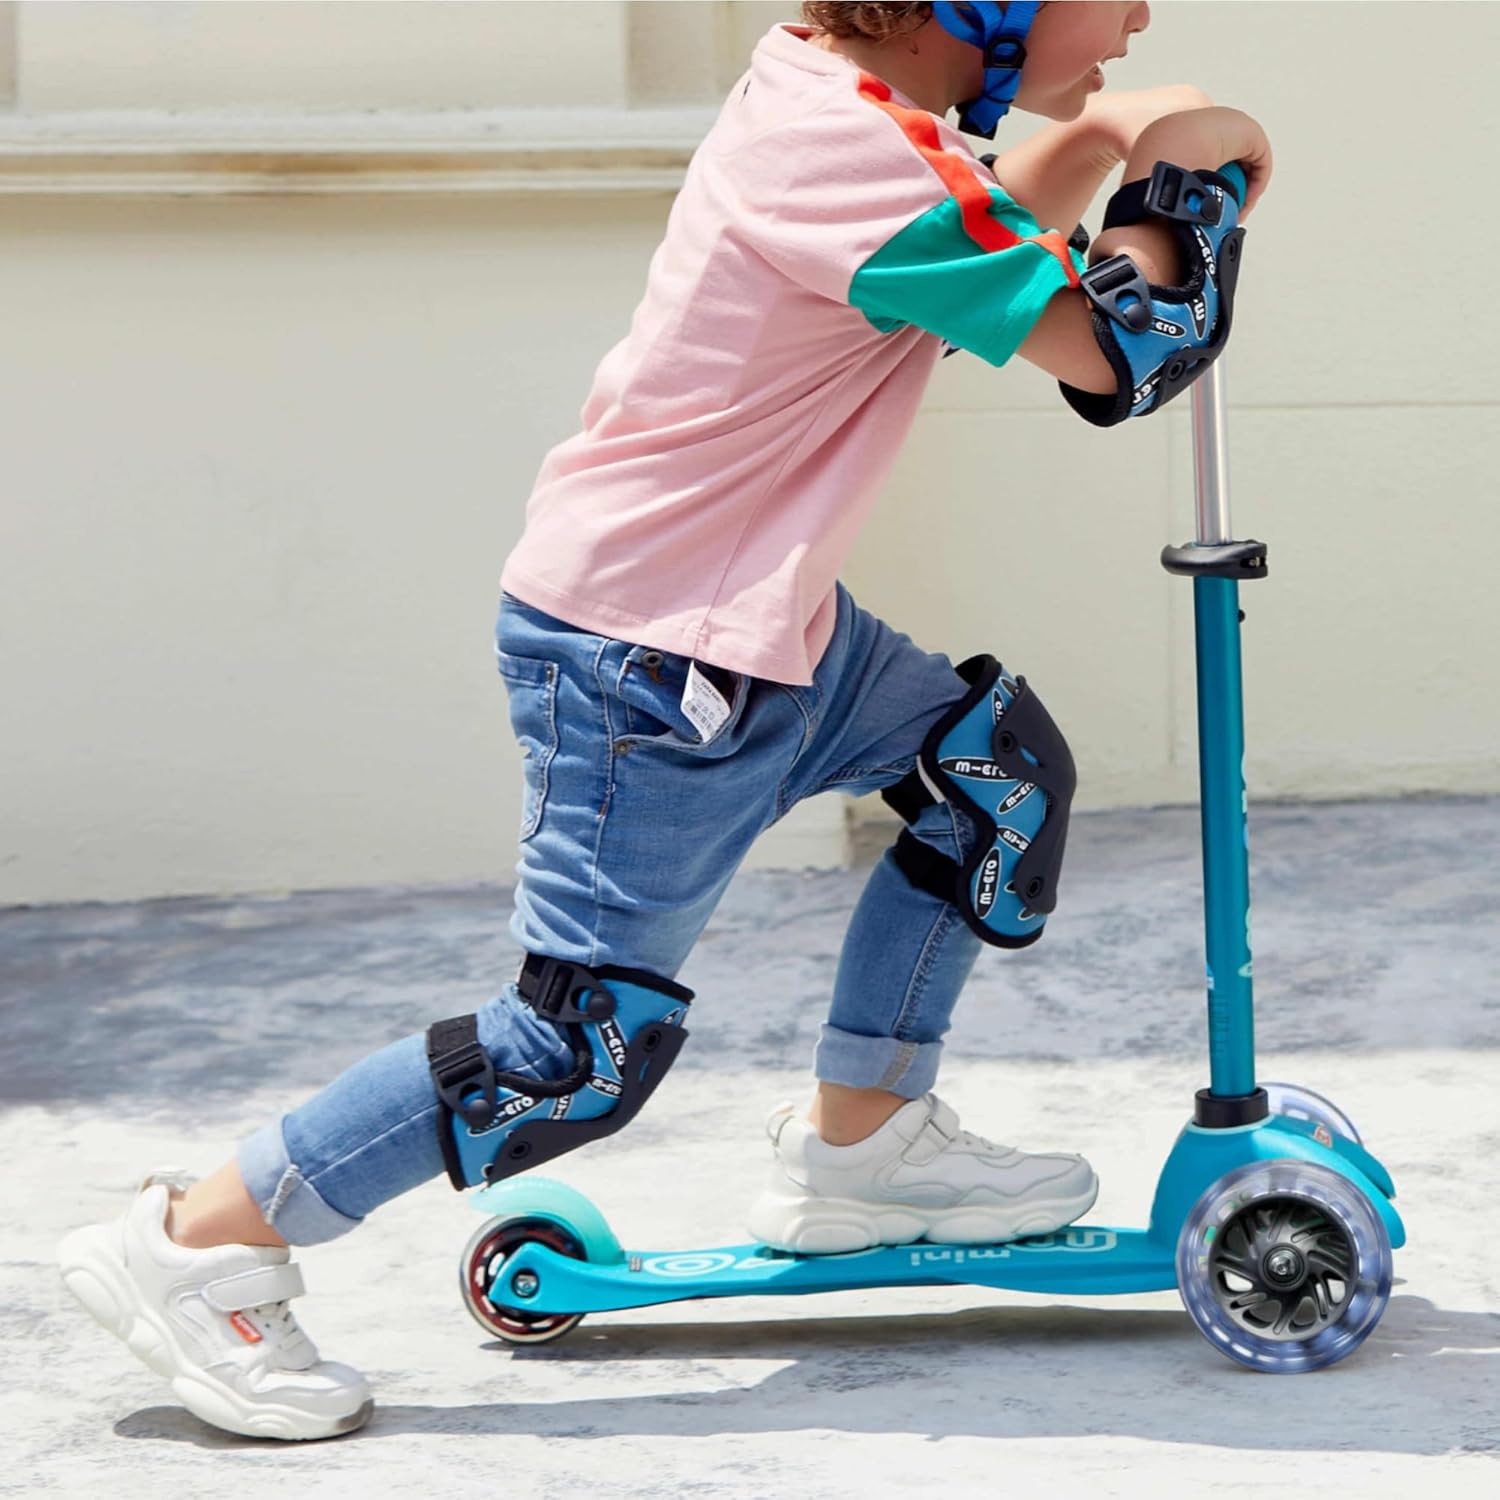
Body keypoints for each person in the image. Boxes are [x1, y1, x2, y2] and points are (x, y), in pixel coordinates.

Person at [58, 1, 1272, 1442]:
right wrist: (1183, 189)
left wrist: (1099, 136)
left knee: (991, 774)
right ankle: (198, 1244)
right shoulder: (851, 162)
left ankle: (865, 1146)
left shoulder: (847, 120)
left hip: (762, 623)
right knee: (568, 1052)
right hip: (649, 661)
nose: (1137, 11)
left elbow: (984, 233)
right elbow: (1127, 349)